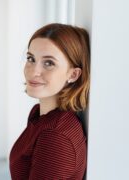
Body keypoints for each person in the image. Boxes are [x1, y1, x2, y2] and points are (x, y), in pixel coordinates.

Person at [9, 23, 90, 180]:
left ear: (73, 75)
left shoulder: (55, 137)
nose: (34, 71)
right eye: (31, 58)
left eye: (49, 63)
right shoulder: (39, 114)